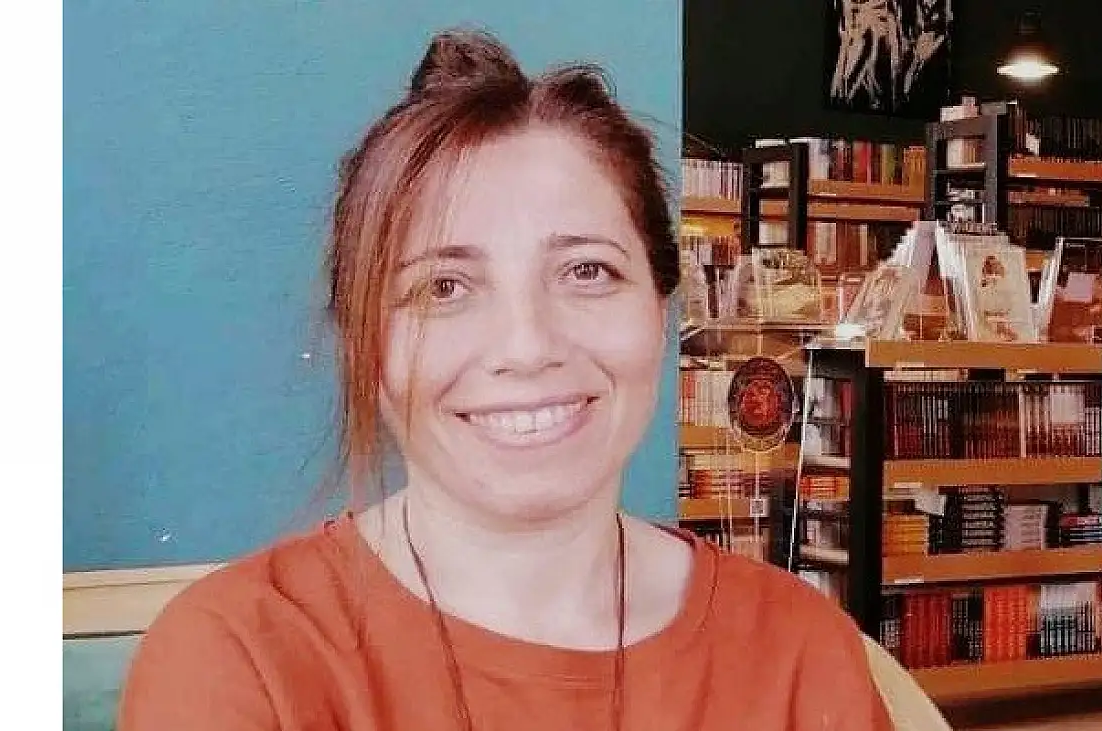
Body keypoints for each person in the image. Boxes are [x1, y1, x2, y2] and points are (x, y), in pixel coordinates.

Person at [119, 29, 892, 731]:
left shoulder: (799, 654)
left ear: (661, 309)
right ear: (364, 340)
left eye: (587, 270)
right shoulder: (238, 661)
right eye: (443, 287)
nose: (527, 346)